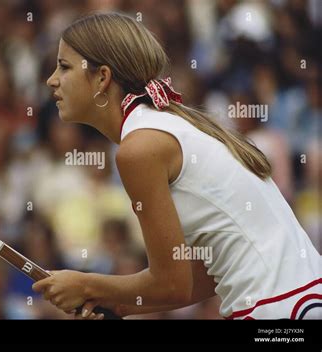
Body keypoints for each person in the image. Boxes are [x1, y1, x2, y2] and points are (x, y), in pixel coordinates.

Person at [32, 13, 321, 320]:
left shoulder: (139, 150)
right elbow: (206, 274)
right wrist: (119, 305)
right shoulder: (166, 126)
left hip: (276, 311)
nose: (52, 79)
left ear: (102, 77)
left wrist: (85, 283)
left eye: (64, 66)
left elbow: (172, 283)